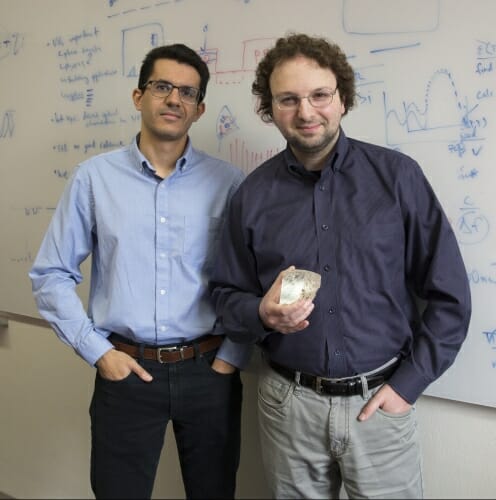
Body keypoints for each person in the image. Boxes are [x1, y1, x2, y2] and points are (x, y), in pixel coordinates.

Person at [210, 33, 471, 499]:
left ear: (342, 99)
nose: (306, 112)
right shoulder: (251, 196)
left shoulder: (398, 178)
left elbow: (450, 296)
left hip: (381, 401)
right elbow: (225, 295)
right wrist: (259, 315)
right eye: (288, 99)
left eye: (319, 95)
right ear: (270, 109)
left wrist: (408, 385)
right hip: (287, 406)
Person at [29, 43, 250, 499]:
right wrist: (98, 352)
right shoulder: (94, 178)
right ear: (138, 96)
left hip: (210, 371)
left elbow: (252, 278)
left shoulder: (229, 183)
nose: (174, 99)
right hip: (126, 371)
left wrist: (234, 353)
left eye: (187, 92)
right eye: (162, 86)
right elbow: (50, 273)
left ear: (199, 108)